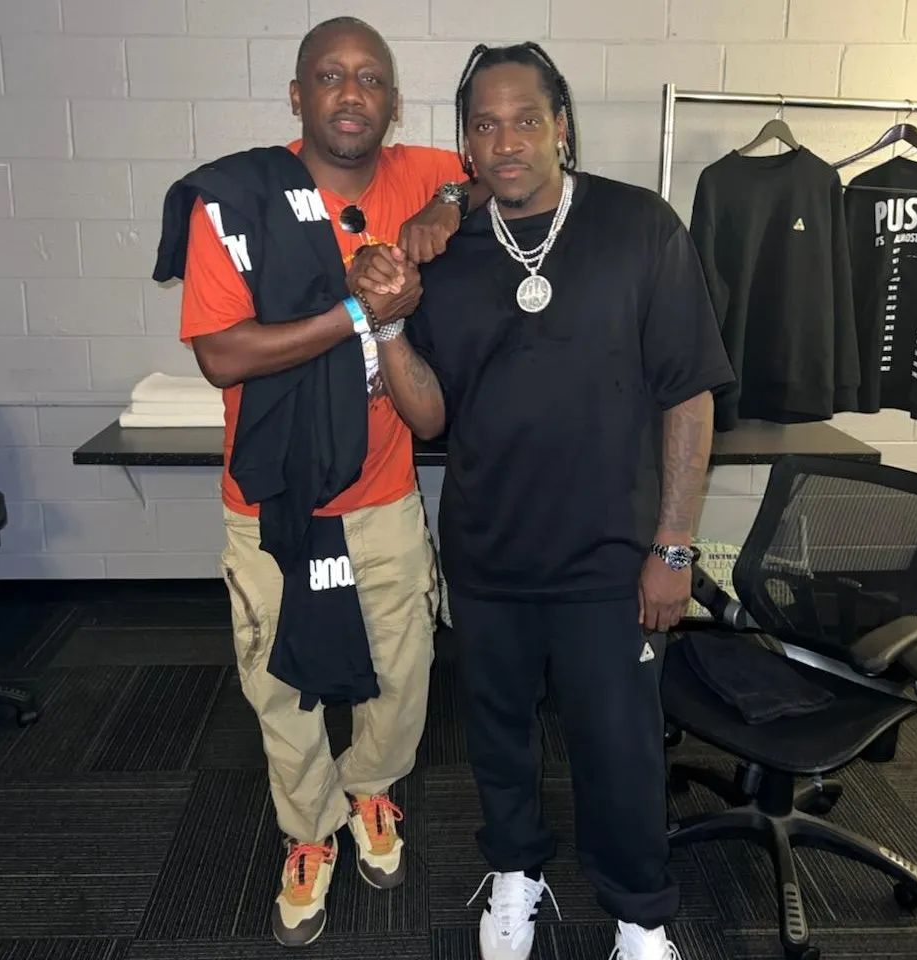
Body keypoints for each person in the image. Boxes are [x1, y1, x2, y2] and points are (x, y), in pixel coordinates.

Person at [375, 42, 735, 960]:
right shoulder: (447, 253)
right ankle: (515, 872)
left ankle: (639, 911)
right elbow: (429, 416)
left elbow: (688, 395)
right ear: (465, 141)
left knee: (619, 746)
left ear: (561, 126)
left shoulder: (641, 227)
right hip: (489, 550)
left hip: (610, 556)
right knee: (497, 737)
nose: (507, 143)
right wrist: (388, 329)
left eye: (526, 120)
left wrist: (675, 547)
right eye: (485, 126)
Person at [174, 17, 481, 948]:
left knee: (404, 667)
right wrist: (358, 310)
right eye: (331, 76)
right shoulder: (236, 199)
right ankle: (309, 829)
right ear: (298, 96)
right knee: (280, 684)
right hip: (271, 501)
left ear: (393, 101)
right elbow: (222, 356)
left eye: (371, 78)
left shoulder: (420, 171)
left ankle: (372, 789)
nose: (353, 94)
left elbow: (484, 171)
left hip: (382, 495)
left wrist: (448, 205)